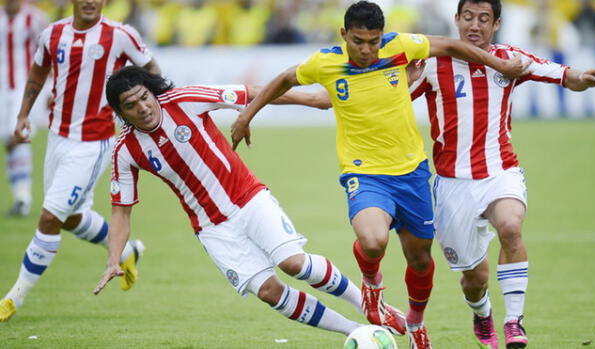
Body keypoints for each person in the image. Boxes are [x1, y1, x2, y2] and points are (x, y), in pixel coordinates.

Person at [230, 1, 531, 348]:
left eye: (374, 41)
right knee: (373, 241)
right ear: (344, 35)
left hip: (412, 173)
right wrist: (245, 116)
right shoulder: (327, 63)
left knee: (419, 261)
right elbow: (284, 78)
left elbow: (451, 45)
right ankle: (371, 285)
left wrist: (500, 64)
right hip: (365, 173)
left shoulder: (398, 46)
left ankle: (416, 321)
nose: (367, 49)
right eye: (358, 41)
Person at [94, 66, 365, 338]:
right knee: (269, 292)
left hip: (248, 198)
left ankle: (369, 306)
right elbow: (121, 212)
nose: (142, 107)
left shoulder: (184, 99)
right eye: (131, 105)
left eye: (144, 97)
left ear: (152, 92)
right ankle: (357, 331)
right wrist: (113, 259)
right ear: (121, 113)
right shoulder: (125, 150)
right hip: (211, 227)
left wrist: (312, 99)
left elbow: (251, 94)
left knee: (292, 263)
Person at [408, 1, 595, 348]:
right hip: (453, 183)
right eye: (468, 18)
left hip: (501, 170)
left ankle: (514, 321)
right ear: (456, 20)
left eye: (483, 19)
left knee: (511, 227)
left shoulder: (511, 60)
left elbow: (562, 75)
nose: (475, 26)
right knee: (474, 279)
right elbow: (391, 103)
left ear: (496, 24)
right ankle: (482, 312)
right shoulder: (432, 63)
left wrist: (585, 78)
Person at [0, 0, 162, 322]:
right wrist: (22, 114)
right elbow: (38, 71)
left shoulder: (120, 34)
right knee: (70, 217)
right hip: (59, 138)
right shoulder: (52, 34)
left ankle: (13, 298)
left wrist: (139, 109)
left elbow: (152, 71)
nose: (90, 1)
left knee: (49, 218)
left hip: (93, 143)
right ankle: (129, 252)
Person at [0, 0, 48, 216]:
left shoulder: (35, 18)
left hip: (24, 87)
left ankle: (23, 197)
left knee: (18, 136)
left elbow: (49, 52)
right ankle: (19, 195)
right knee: (8, 142)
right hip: (1, 89)